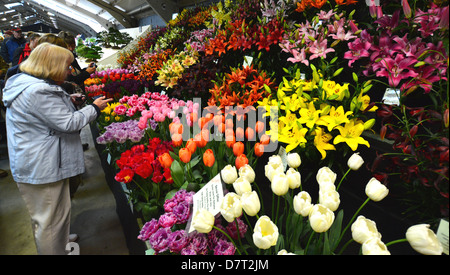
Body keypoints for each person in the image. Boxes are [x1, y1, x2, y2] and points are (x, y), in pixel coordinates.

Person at [1, 42, 112, 255]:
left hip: (44, 159)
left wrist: (68, 100)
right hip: (41, 164)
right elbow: (68, 123)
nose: (70, 71)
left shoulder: (29, 83)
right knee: (49, 221)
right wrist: (94, 109)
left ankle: (60, 240)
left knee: (58, 212)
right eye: (67, 66)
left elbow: (43, 114)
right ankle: (55, 247)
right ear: (52, 65)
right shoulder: (37, 90)